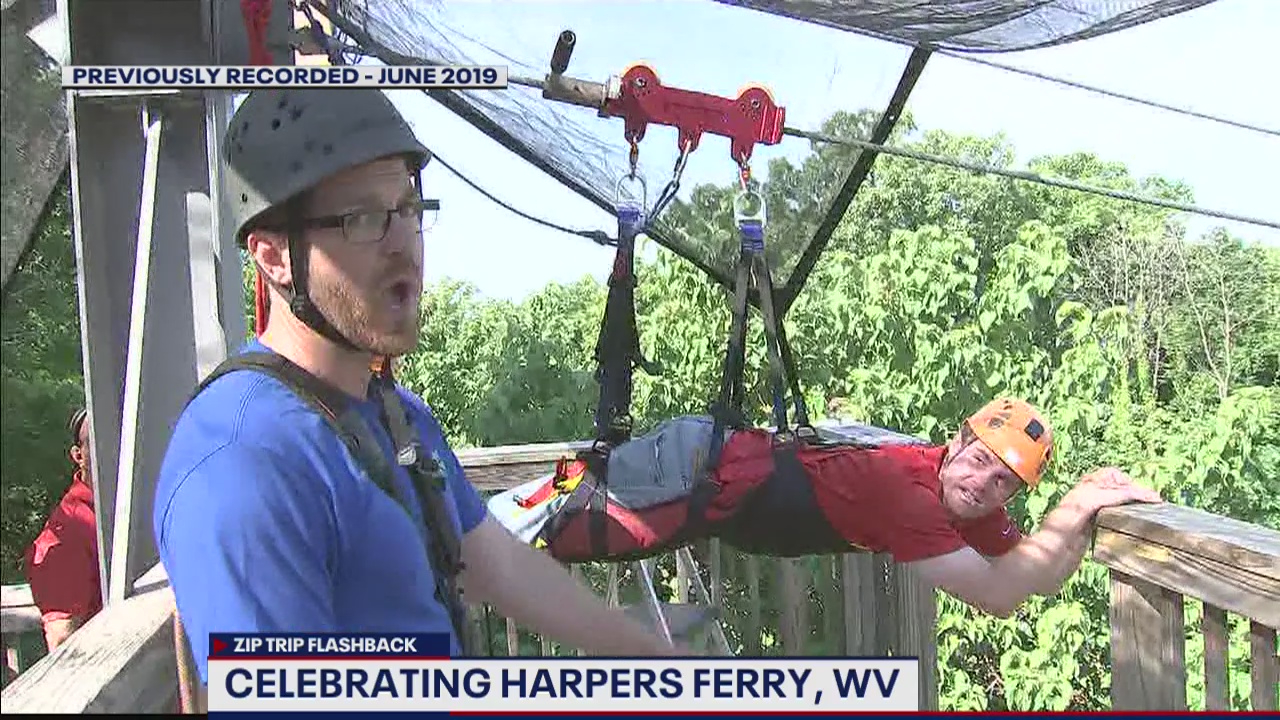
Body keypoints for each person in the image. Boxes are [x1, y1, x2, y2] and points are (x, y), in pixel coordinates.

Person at [151, 87, 680, 685]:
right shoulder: (243, 466)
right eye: (363, 219)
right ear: (273, 256)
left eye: (408, 208)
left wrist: (658, 660)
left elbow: (494, 564)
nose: (404, 243)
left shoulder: (394, 414)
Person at [495, 398, 1163, 619]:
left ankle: (443, 523)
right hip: (697, 470)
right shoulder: (911, 492)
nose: (986, 483)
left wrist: (1081, 516)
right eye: (982, 458)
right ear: (959, 439)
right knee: (545, 520)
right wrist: (1074, 505)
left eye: (1005, 483)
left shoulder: (961, 497)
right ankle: (433, 521)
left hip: (712, 480)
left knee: (544, 518)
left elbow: (1023, 581)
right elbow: (999, 593)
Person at [25, 407, 104, 651]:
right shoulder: (66, 533)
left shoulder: (129, 513)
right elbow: (62, 641)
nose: (109, 449)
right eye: (97, 440)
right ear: (78, 455)